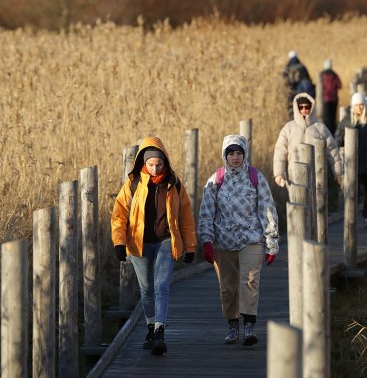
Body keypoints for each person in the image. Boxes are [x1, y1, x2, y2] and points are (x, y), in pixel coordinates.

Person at [111, 136, 196, 356]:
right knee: (147, 288)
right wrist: (119, 242)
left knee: (161, 286)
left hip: (165, 242)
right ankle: (150, 326)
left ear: (165, 162)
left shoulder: (174, 184)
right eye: (150, 164)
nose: (155, 168)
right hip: (138, 244)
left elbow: (185, 216)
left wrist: (190, 247)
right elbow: (119, 215)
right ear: (143, 163)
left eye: (159, 164)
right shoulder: (133, 184)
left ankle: (160, 331)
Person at [198, 135, 279, 346]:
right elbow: (206, 212)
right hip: (223, 242)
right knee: (228, 287)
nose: (235, 157)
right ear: (225, 155)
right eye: (231, 153)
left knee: (250, 280)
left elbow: (267, 210)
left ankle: (249, 326)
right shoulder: (215, 180)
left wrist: (271, 242)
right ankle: (233, 325)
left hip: (251, 238)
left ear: (245, 154)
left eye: (239, 153)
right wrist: (206, 241)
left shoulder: (255, 178)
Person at [273, 92, 344, 189]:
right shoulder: (288, 128)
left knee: (318, 203)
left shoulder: (320, 128)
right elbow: (280, 151)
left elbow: (333, 151)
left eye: (307, 107)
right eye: (301, 107)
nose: (304, 110)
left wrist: (338, 172)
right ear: (296, 108)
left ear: (312, 108)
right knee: (297, 203)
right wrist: (279, 173)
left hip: (317, 178)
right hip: (294, 177)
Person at [335, 93, 367, 228]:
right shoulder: (347, 120)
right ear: (353, 106)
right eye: (356, 105)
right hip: (352, 162)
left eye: (361, 105)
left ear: (365, 105)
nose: (359, 108)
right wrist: (339, 142)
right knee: (352, 192)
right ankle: (351, 217)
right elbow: (338, 135)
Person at [283, 50, 316, 118]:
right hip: (306, 87)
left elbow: (285, 80)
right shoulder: (302, 66)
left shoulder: (287, 67)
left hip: (295, 90)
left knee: (296, 108)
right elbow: (308, 78)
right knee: (306, 108)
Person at [320, 58, 343, 135]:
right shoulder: (335, 74)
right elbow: (340, 85)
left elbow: (320, 87)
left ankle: (326, 133)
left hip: (326, 99)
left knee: (326, 118)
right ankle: (333, 134)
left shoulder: (322, 75)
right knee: (333, 118)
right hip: (334, 99)